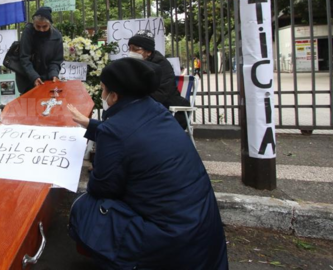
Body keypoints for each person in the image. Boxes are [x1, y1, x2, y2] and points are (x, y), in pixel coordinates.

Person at [67, 58, 228, 270]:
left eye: (104, 90)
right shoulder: (157, 111)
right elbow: (131, 134)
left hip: (169, 243)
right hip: (202, 240)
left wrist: (98, 165)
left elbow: (102, 188)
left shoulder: (115, 131)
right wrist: (91, 125)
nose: (103, 95)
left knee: (85, 206)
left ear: (114, 96)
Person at [128, 30, 190, 128]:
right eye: (130, 49)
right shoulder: (135, 63)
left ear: (148, 52)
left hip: (166, 108)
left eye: (135, 49)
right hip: (145, 107)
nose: (131, 52)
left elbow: (161, 94)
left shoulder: (162, 66)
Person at [16, 6, 64, 94]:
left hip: (47, 78)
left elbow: (56, 60)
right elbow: (24, 57)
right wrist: (34, 77)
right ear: (34, 24)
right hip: (28, 79)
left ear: (50, 24)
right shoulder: (28, 32)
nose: (41, 30)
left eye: (44, 26)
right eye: (38, 26)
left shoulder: (57, 36)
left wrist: (54, 74)